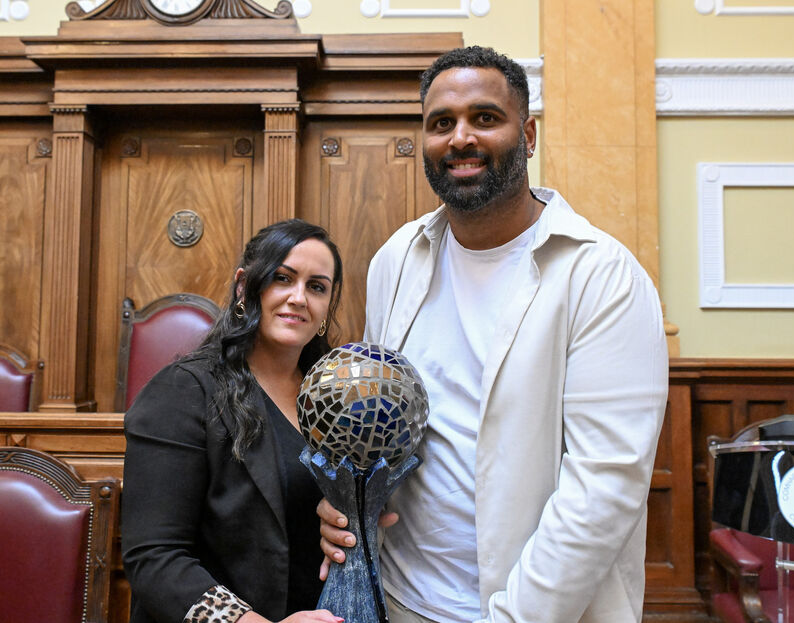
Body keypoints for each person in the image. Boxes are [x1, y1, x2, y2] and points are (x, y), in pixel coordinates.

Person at [318, 46, 669, 623]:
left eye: (484, 118)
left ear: (527, 135)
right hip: (399, 599)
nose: (460, 138)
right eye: (441, 123)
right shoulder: (397, 259)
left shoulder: (601, 274)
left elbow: (604, 488)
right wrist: (346, 505)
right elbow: (378, 423)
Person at [122, 219, 346, 623]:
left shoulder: (332, 397)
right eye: (282, 278)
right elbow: (155, 559)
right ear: (244, 287)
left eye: (316, 287)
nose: (299, 298)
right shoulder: (182, 391)